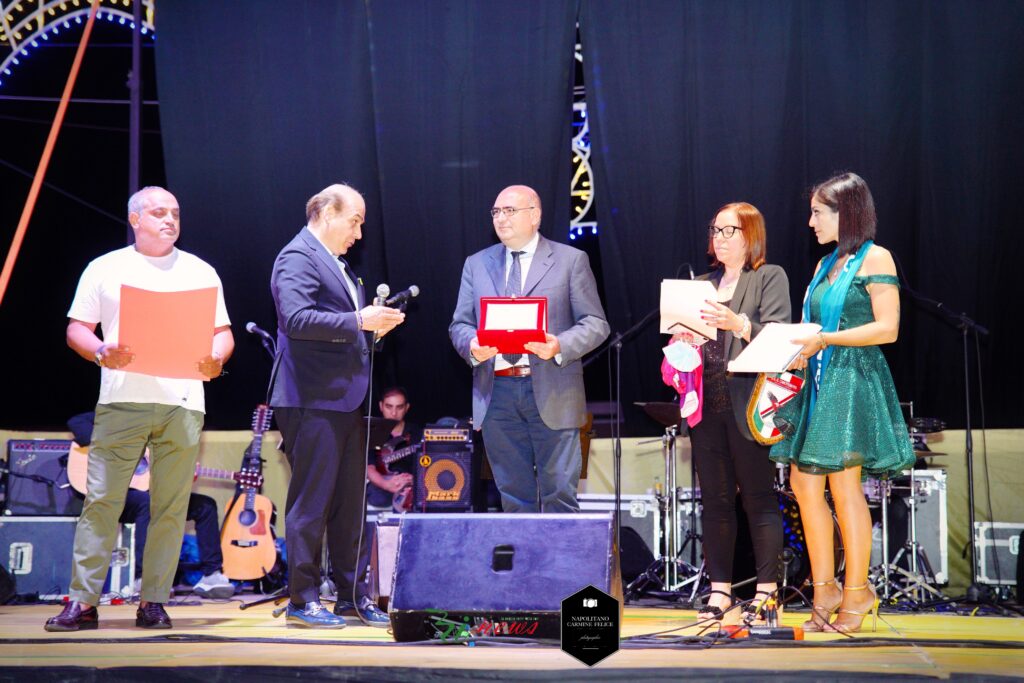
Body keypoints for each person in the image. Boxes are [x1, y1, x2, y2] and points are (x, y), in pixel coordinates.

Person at [46, 186, 234, 632]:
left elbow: (222, 333)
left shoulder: (201, 271)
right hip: (122, 400)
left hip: (183, 404)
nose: (169, 219)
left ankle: (153, 601)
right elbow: (77, 328)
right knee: (102, 502)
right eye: (158, 212)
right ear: (135, 219)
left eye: (175, 213)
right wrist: (99, 352)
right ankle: (83, 602)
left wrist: (217, 359)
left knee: (170, 506)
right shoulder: (106, 267)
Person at [771, 172, 915, 633]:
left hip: (852, 380)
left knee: (844, 487)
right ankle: (825, 586)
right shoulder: (822, 265)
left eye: (818, 212)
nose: (810, 221)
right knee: (804, 485)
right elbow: (805, 328)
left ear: (845, 213)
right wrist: (785, 356)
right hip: (817, 380)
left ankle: (858, 591)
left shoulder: (877, 258)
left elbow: (888, 327)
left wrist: (825, 339)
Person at [270, 183, 405, 628]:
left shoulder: (340, 266)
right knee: (311, 504)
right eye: (355, 220)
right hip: (311, 399)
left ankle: (350, 597)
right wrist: (358, 320)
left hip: (346, 401)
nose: (359, 232)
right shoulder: (296, 257)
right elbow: (297, 319)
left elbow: (340, 328)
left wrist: (372, 329)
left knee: (351, 505)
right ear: (327, 213)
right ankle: (301, 599)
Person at [660, 202, 790, 623]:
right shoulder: (700, 284)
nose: (718, 237)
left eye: (728, 230)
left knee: (758, 499)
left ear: (750, 234)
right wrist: (682, 342)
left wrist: (739, 325)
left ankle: (768, 592)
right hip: (706, 408)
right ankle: (720, 591)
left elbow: (780, 337)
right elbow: (686, 353)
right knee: (715, 501)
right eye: (715, 230)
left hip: (749, 405)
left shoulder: (769, 277)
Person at [449, 184, 609, 512]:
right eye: (496, 212)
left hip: (553, 391)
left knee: (559, 498)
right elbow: (459, 325)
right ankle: (525, 565)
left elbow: (596, 323)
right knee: (513, 499)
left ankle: (561, 565)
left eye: (510, 211)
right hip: (497, 395)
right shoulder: (476, 264)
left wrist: (559, 345)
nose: (501, 219)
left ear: (535, 215)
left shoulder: (570, 260)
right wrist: (472, 345)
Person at [66, 411, 234, 599]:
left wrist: (182, 475)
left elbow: (159, 476)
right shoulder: (119, 413)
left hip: (149, 493)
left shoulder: (167, 431)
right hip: (111, 494)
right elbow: (76, 422)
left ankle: (212, 575)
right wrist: (121, 450)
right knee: (147, 503)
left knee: (205, 505)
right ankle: (143, 578)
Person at [365, 387, 418, 510]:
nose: (394, 413)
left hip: (412, 485)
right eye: (389, 407)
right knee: (378, 497)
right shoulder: (372, 433)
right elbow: (369, 468)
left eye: (399, 407)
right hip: (382, 486)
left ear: (407, 408)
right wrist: (387, 485)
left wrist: (413, 481)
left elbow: (427, 466)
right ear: (381, 406)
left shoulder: (417, 433)